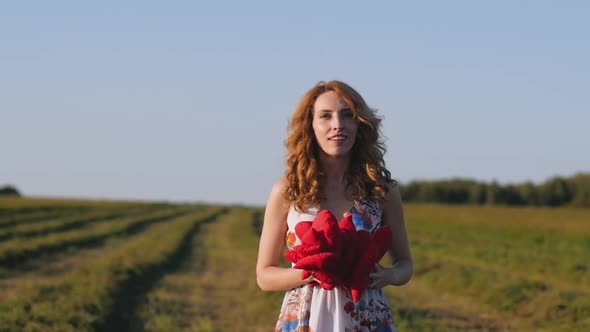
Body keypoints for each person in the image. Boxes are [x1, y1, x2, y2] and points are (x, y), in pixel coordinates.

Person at [256, 80, 413, 331]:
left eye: (347, 115)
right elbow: (264, 275)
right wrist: (311, 273)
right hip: (305, 319)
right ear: (311, 126)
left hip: (367, 317)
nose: (337, 125)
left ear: (360, 125)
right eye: (325, 116)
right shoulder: (288, 191)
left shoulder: (382, 190)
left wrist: (388, 276)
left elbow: (405, 264)